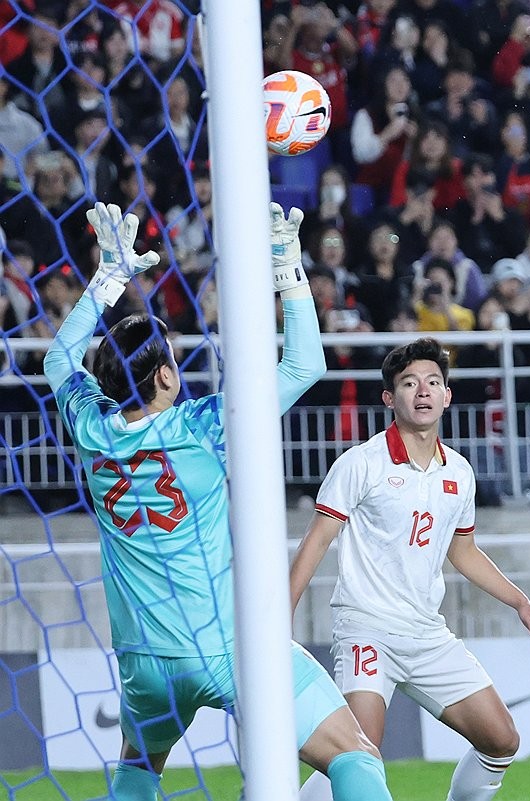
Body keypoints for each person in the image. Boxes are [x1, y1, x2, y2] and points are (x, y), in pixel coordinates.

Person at [44, 203, 391, 800]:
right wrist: (287, 270)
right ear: (164, 379)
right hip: (228, 648)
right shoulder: (205, 426)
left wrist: (108, 279)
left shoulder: (89, 426)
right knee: (354, 755)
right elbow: (305, 364)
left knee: (138, 770)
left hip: (145, 660)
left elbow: (57, 359)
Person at [290, 337, 530, 801]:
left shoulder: (460, 472)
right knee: (357, 754)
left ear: (447, 395)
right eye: (410, 383)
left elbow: (464, 551)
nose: (423, 391)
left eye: (433, 381)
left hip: (427, 633)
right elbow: (317, 541)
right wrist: (278, 617)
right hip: (366, 628)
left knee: (502, 740)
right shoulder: (360, 464)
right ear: (390, 398)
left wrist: (520, 601)